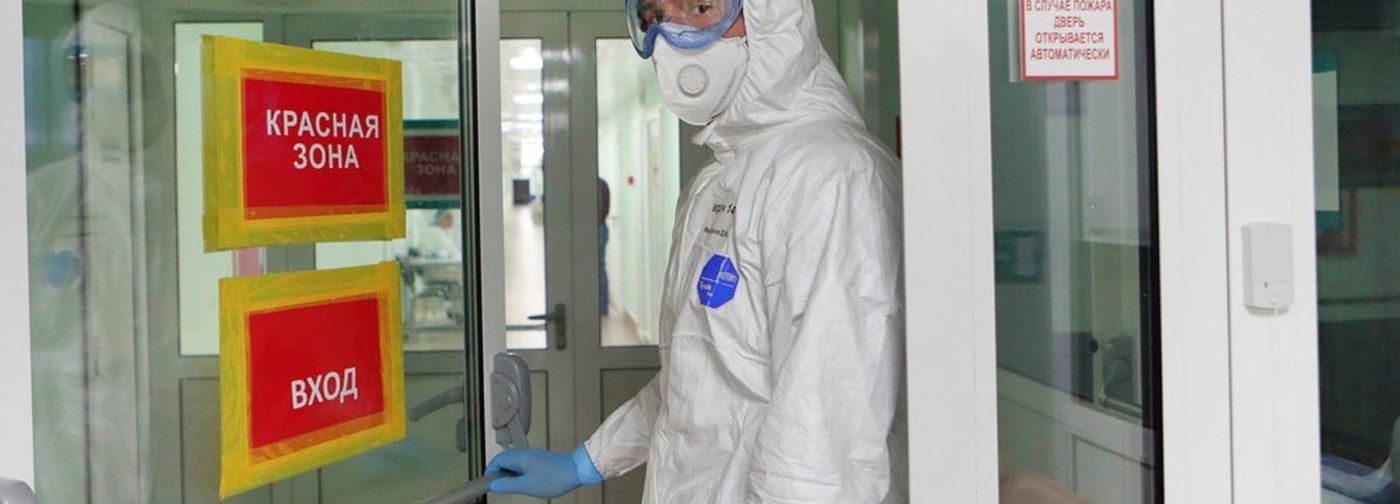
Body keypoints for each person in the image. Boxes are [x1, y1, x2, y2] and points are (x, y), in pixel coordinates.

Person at [486, 0, 904, 501]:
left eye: (700, 7)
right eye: (654, 20)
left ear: (773, 15)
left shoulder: (834, 176)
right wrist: (587, 461)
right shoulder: (715, 182)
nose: (671, 38)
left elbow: (823, 449)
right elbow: (694, 381)